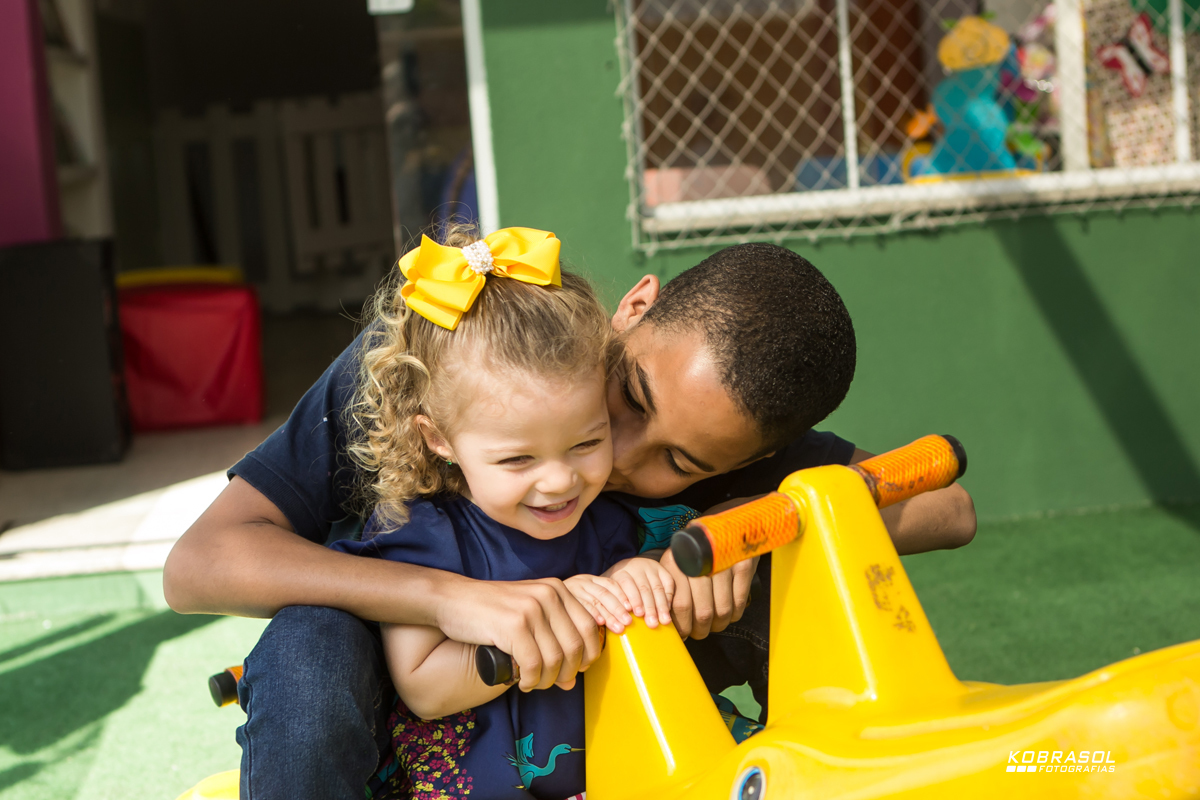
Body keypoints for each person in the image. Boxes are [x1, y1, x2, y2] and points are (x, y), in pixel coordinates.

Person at [163, 234, 976, 799]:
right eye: (628, 395)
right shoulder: (443, 352)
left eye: (681, 464)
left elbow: (949, 506)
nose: (614, 457)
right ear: (632, 308)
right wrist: (447, 598)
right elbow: (199, 564)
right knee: (312, 632)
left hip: (605, 731)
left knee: (785, 554)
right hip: (411, 708)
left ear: (744, 455)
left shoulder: (739, 433)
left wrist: (746, 526)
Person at [330, 227, 680, 798]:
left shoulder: (607, 518)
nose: (561, 479)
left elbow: (632, 600)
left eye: (588, 443)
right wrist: (558, 622)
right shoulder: (423, 532)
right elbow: (422, 685)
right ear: (438, 437)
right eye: (518, 458)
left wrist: (637, 578)